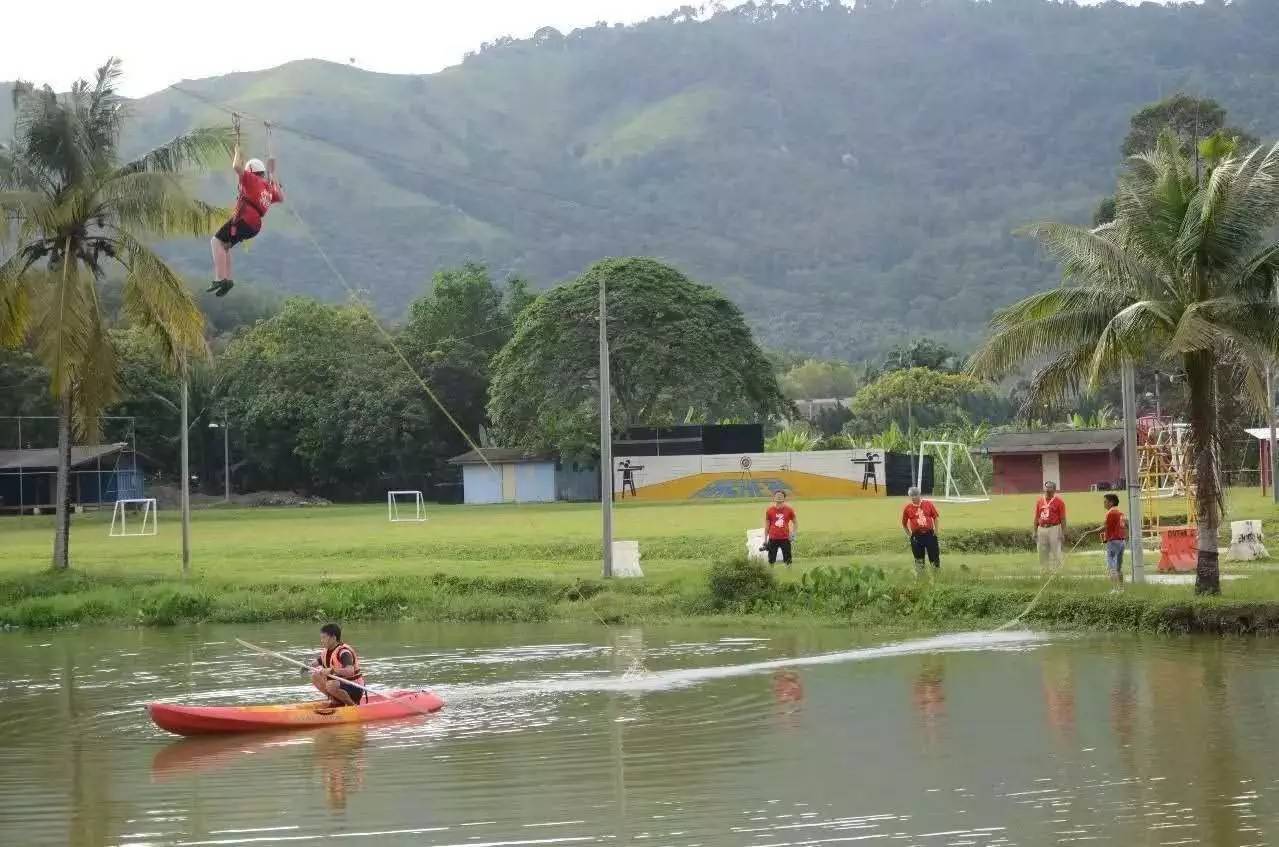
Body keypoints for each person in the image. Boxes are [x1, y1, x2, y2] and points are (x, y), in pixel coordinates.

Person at [208, 143, 283, 297]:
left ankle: (220, 278)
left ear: (251, 171)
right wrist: (273, 174)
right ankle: (227, 279)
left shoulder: (251, 180)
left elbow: (236, 166)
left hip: (245, 219)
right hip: (254, 227)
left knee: (216, 241)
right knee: (225, 246)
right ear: (262, 173)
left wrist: (237, 152)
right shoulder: (267, 188)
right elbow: (280, 197)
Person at [311, 623, 365, 706]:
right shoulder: (326, 652)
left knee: (331, 685)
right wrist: (306, 666)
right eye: (321, 638)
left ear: (333, 638)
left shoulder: (344, 652)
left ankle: (352, 706)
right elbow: (316, 663)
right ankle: (336, 701)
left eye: (324, 637)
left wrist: (332, 670)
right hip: (339, 686)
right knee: (315, 676)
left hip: (355, 688)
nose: (321, 640)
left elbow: (349, 671)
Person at [901, 486, 941, 574]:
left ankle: (936, 574)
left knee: (934, 556)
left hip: (930, 534)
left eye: (915, 495)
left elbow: (935, 517)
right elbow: (904, 523)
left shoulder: (928, 504)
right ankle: (921, 576)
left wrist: (936, 530)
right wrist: (910, 535)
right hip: (916, 536)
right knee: (919, 559)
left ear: (919, 495)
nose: (913, 497)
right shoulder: (908, 508)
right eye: (911, 495)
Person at [1033, 480, 1067, 571]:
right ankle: (1044, 569)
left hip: (1054, 528)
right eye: (1046, 487)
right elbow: (1036, 517)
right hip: (1042, 528)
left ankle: (1058, 570)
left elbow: (1063, 518)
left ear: (1054, 490)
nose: (1047, 490)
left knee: (1056, 549)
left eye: (1050, 488)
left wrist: (1063, 532)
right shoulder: (1040, 501)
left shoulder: (1059, 502)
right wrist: (1035, 531)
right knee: (1042, 550)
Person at [762, 489, 797, 567]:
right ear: (774, 498)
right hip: (773, 538)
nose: (779, 497)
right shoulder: (769, 510)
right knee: (771, 559)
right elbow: (767, 525)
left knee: (788, 559)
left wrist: (793, 535)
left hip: (785, 538)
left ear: (784, 498)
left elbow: (795, 523)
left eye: (781, 496)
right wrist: (765, 540)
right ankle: (771, 573)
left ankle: (789, 573)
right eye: (777, 496)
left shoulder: (789, 510)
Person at [1100, 493, 1126, 592]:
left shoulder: (1110, 513)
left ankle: (1115, 589)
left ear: (1111, 502)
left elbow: (1104, 527)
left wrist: (1090, 532)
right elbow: (1123, 527)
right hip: (1121, 541)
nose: (1104, 503)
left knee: (1112, 567)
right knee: (1118, 567)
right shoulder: (1121, 513)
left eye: (1105, 501)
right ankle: (1121, 589)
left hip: (1113, 542)